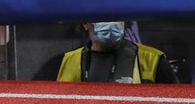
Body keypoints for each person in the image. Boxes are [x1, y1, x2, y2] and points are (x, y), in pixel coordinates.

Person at [34, 21, 179, 84]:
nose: (110, 23)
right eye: (102, 17)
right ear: (85, 24)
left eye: (116, 17)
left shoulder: (153, 60)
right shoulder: (68, 61)